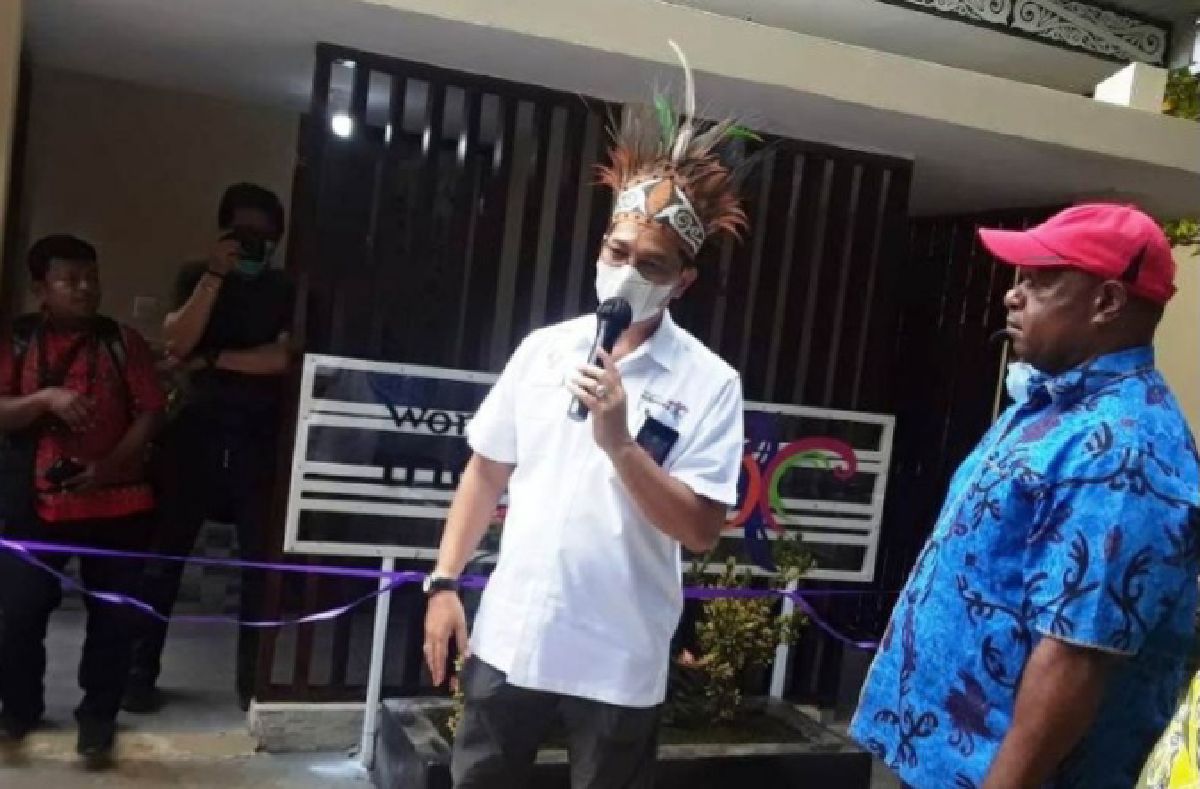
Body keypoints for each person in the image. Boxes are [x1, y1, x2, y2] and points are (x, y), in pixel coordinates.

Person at [421, 60, 750, 787]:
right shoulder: (544, 350)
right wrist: (444, 582)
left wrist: (622, 445)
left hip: (619, 657)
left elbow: (701, 529)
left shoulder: (710, 383)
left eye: (652, 264)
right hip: (512, 637)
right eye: (616, 251)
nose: (627, 272)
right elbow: (485, 470)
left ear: (683, 281)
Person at [851, 204, 1200, 789]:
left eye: (1041, 280)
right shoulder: (1056, 407)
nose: (1013, 295)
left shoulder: (1122, 451)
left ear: (1107, 302)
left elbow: (1076, 656)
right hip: (939, 760)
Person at [124, 183, 294, 713]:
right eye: (243, 233)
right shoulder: (196, 276)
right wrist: (215, 276)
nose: (253, 244)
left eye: (263, 235)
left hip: (259, 435)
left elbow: (284, 359)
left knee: (259, 568)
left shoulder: (286, 288)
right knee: (162, 560)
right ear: (224, 232)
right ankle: (138, 675)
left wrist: (211, 358)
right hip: (194, 432)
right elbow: (176, 341)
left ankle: (252, 684)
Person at [0, 234, 165, 765]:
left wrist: (107, 468)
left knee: (114, 619)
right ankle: (19, 708)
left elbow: (151, 412)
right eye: (69, 280)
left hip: (119, 503)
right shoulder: (17, 340)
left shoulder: (122, 342)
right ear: (40, 288)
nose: (85, 289)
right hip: (34, 505)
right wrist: (46, 398)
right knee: (17, 613)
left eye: (91, 277)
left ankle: (97, 720)